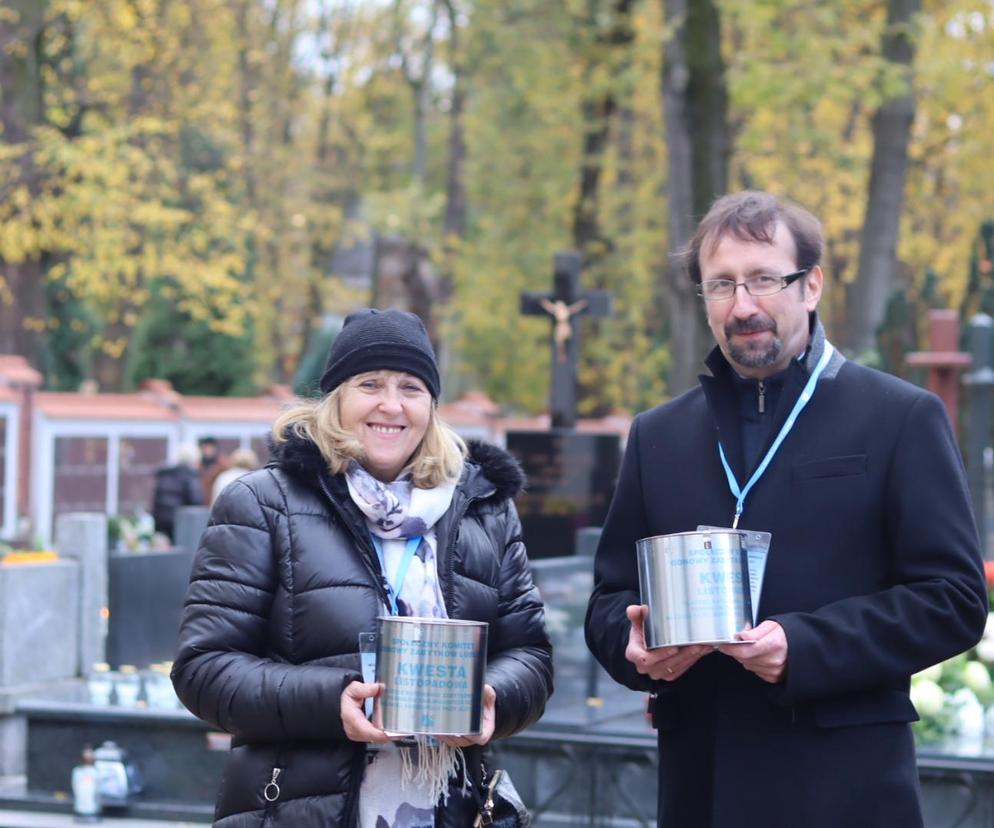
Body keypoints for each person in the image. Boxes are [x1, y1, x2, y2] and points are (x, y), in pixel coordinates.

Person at [584, 190, 988, 828]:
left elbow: (954, 599)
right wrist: (632, 646)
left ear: (811, 285)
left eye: (765, 279)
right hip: (701, 787)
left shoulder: (899, 418)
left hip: (844, 789)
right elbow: (608, 600)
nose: (742, 306)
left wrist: (805, 645)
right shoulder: (659, 436)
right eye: (721, 285)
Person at [172, 308, 553, 828]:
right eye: (370, 384)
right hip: (302, 811)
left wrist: (493, 699)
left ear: (431, 405)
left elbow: (529, 654)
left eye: (411, 387)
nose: (391, 405)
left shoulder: (482, 509)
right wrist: (334, 702)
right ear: (337, 399)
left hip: (453, 809)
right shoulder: (262, 504)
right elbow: (204, 670)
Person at [150, 444, 203, 541]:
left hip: (161, 523)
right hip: (181, 525)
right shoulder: (190, 476)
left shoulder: (164, 475)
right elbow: (196, 501)